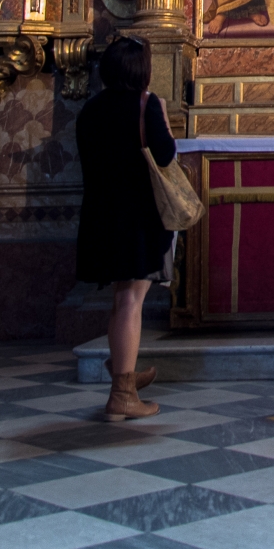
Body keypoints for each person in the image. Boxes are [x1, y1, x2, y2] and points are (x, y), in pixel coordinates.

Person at [74, 37, 176, 421]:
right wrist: (161, 117)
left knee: (121, 299)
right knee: (132, 299)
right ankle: (122, 392)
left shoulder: (89, 111)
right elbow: (164, 155)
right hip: (136, 215)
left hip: (101, 214)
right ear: (142, 71)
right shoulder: (145, 105)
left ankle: (124, 373)